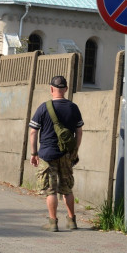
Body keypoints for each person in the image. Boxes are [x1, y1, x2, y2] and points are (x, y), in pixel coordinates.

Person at [28, 75, 84, 231]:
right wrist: (74, 151)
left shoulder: (43, 107)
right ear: (65, 89)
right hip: (67, 154)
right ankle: (72, 221)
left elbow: (33, 132)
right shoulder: (73, 108)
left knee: (50, 190)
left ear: (51, 89)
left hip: (47, 154)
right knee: (67, 189)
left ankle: (53, 223)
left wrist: (34, 153)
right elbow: (79, 132)